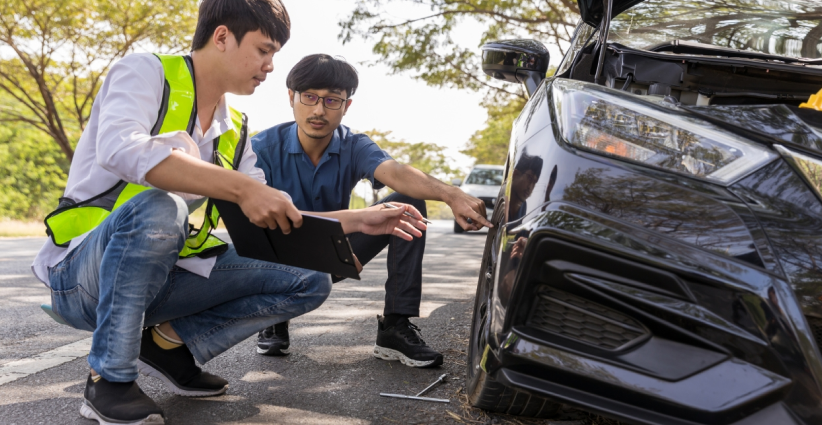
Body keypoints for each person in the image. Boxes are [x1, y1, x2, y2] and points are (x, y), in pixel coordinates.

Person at [30, 2, 426, 424]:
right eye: (263, 50)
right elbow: (120, 150)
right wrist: (242, 187)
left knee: (309, 280)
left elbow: (274, 210)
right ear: (222, 38)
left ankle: (168, 345)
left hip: (164, 279)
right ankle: (109, 378)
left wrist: (358, 220)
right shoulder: (146, 73)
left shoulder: (234, 126)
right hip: (83, 278)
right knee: (159, 206)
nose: (271, 66)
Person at [252, 54, 493, 368]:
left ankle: (395, 326)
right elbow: (255, 223)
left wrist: (450, 194)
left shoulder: (353, 144)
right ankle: (275, 317)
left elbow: (394, 172)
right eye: (309, 97)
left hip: (337, 251)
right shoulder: (261, 148)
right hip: (278, 257)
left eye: (332, 100)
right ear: (291, 97)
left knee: (407, 203)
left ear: (346, 105)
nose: (319, 110)